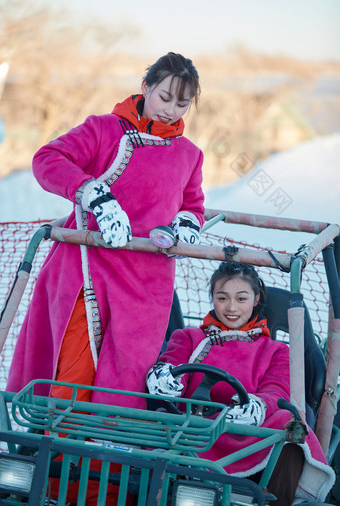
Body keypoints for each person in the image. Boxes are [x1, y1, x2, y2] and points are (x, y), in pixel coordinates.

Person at [6, 52, 205, 412]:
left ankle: (107, 467)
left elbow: (192, 204)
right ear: (145, 87)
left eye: (182, 103)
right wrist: (94, 195)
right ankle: (54, 465)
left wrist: (186, 224)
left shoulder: (189, 155)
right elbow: (47, 160)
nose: (171, 110)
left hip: (146, 282)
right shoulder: (103, 129)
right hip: (86, 268)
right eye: (164, 97)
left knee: (124, 383)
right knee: (71, 378)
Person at [147, 262, 335, 505]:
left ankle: (275, 499)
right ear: (213, 298)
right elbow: (172, 362)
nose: (231, 307)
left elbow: (276, 390)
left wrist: (255, 406)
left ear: (256, 299)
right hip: (191, 428)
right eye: (222, 298)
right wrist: (165, 376)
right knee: (146, 419)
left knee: (289, 424)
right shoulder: (189, 337)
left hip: (245, 435)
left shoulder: (277, 351)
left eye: (241, 298)